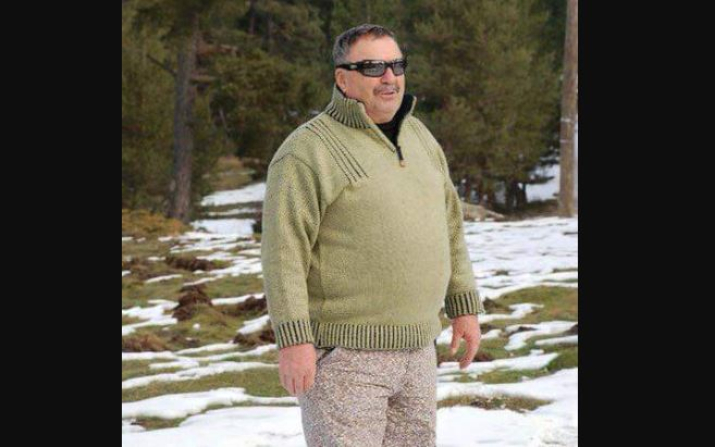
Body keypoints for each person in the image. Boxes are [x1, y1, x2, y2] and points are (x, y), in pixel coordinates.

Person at [260, 23, 486, 447]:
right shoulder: (306, 152)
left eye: (397, 65)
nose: (389, 77)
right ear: (342, 79)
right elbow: (283, 254)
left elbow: (450, 227)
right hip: (345, 358)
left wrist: (464, 307)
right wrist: (293, 340)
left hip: (419, 349)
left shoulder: (420, 137)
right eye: (373, 67)